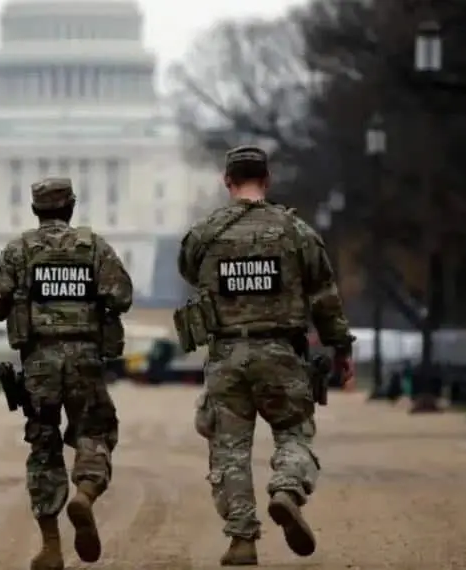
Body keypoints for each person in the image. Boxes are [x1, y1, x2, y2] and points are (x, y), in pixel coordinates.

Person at [175, 145, 354, 566]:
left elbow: (188, 271)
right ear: (267, 180)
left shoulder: (204, 235)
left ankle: (241, 539)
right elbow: (325, 295)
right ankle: (287, 489)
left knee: (229, 449)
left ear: (227, 181)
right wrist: (340, 347)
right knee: (294, 432)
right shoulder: (296, 231)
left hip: (226, 356)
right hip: (281, 351)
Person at [0, 177, 133, 570]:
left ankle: (50, 545)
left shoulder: (20, 250)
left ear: (35, 209)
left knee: (43, 447)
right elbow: (122, 296)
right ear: (71, 206)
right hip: (84, 357)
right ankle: (86, 492)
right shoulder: (93, 246)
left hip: (39, 363)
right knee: (94, 431)